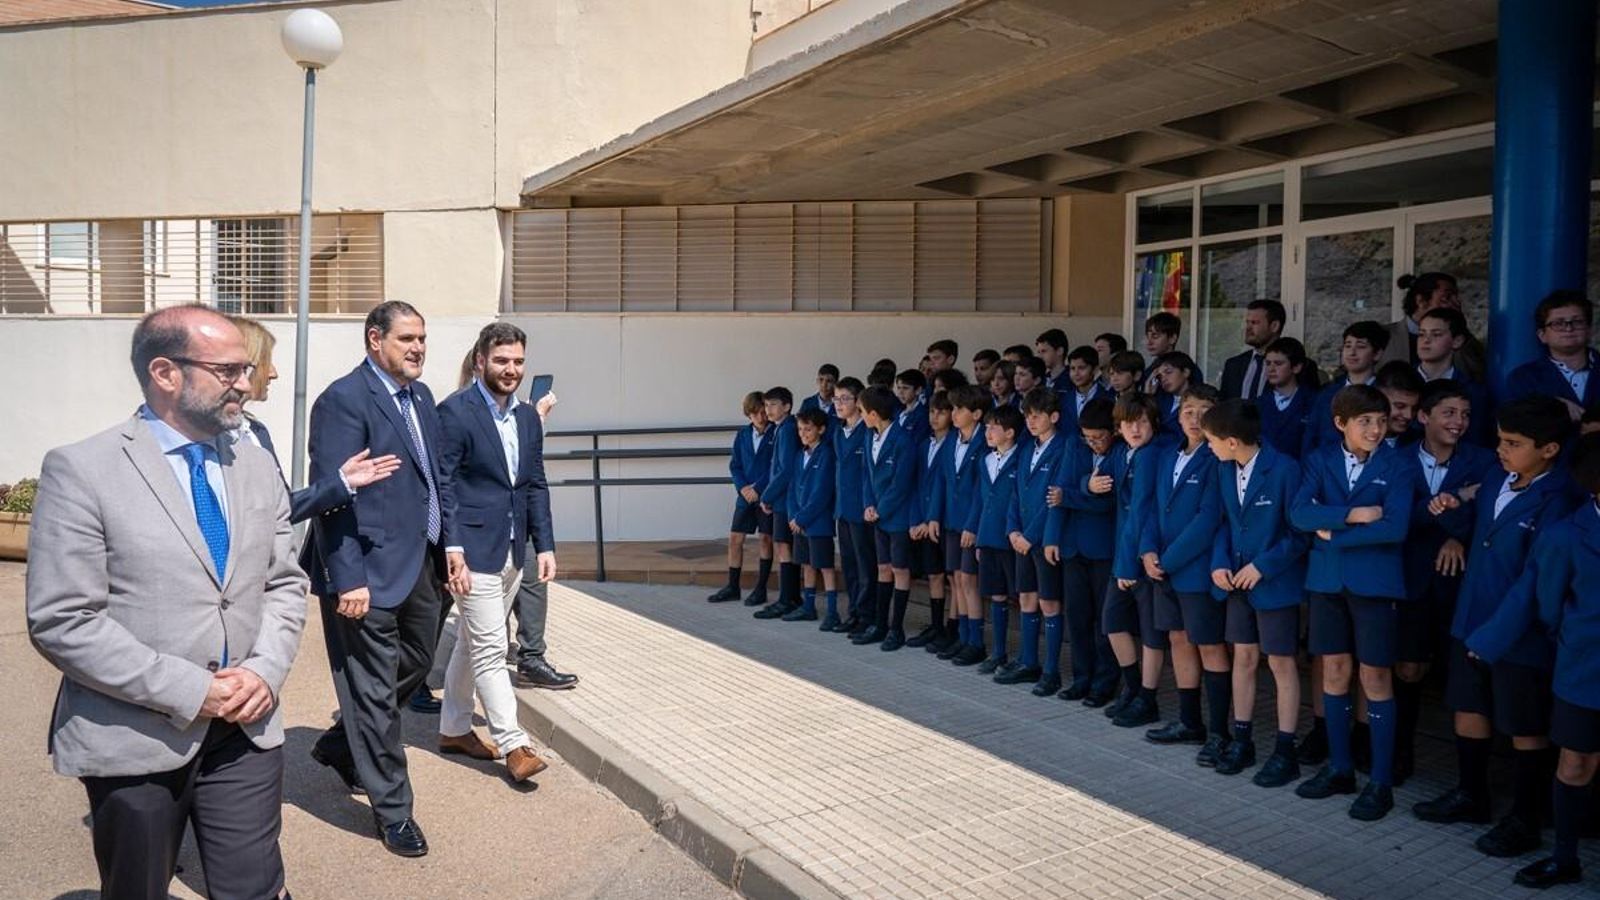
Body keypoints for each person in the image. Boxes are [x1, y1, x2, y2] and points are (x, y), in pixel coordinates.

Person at [27, 305, 309, 899]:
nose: (246, 382)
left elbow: (284, 582)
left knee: (257, 889)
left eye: (247, 368)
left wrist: (265, 671)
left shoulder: (255, 463)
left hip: (245, 728)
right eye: (229, 370)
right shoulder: (82, 469)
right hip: (136, 733)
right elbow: (63, 620)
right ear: (165, 373)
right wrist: (191, 689)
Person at [304, 300, 459, 857]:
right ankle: (394, 811)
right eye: (406, 339)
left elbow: (438, 479)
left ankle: (342, 744)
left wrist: (452, 546)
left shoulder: (421, 396)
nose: (418, 348)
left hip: (421, 563)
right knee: (371, 691)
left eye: (422, 338)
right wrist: (347, 577)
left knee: (416, 664)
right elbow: (333, 497)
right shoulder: (343, 399)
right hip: (364, 571)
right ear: (375, 339)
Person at [1425, 398, 1578, 857]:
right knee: (1468, 707)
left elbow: (1536, 581)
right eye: (1499, 440)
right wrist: (1450, 511)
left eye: (1513, 443)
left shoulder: (1560, 499)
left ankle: (1525, 819)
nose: (1501, 450)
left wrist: (1494, 636)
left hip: (1518, 633)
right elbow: (1479, 531)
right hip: (1471, 616)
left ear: (1549, 449)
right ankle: (1471, 795)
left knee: (1524, 725)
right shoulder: (1497, 478)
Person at [432, 322, 552, 785]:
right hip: (471, 553)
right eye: (502, 360)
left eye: (518, 361)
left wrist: (545, 545)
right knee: (491, 647)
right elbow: (443, 486)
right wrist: (452, 546)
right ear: (480, 360)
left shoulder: (527, 418)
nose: (511, 369)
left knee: (471, 640)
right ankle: (514, 744)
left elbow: (534, 484)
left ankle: (453, 728)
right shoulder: (455, 412)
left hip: (513, 550)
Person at [1289, 384, 1411, 821]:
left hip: (1376, 584)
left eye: (1381, 421)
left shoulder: (1398, 464)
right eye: (1365, 421)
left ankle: (1380, 781)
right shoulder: (1319, 459)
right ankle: (1340, 768)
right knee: (1335, 670)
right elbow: (1299, 514)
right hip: (1327, 582)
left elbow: (1395, 527)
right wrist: (1353, 515)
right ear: (1341, 423)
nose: (1376, 429)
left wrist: (1332, 533)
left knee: (1376, 676)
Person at [1202, 400, 1309, 787]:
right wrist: (1218, 563)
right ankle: (1242, 739)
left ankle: (1285, 750)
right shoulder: (1224, 468)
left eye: (1211, 440)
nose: (1208, 446)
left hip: (1274, 582)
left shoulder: (1285, 469)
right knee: (1243, 657)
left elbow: (1299, 533)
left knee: (1281, 663)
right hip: (1235, 581)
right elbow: (1225, 524)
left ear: (1231, 441)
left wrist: (1263, 566)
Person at [1393, 382, 1495, 784]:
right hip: (1412, 581)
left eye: (1465, 415)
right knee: (1407, 670)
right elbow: (1398, 518)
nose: (1459, 422)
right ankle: (1399, 755)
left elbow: (1488, 520)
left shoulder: (1484, 460)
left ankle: (1466, 778)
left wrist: (1457, 535)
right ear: (1424, 417)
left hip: (1459, 585)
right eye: (1449, 413)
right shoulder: (1398, 459)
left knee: (1463, 679)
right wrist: (1454, 499)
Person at [1515, 433, 1600, 889]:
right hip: (1585, 666)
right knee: (1574, 762)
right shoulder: (1565, 535)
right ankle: (1564, 857)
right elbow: (1549, 605)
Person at [227, 316, 401, 522]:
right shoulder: (207, 435)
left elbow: (283, 509)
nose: (273, 373)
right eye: (266, 363)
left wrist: (342, 482)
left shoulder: (256, 432)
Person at [1140, 385, 1229, 767]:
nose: (1195, 418)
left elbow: (1209, 519)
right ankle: (1189, 721)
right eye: (1189, 410)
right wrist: (1147, 550)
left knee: (1209, 646)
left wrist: (1168, 560)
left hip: (1194, 569)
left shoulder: (1217, 458)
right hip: (1163, 568)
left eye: (1204, 410)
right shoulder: (1167, 455)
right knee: (1178, 639)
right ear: (1178, 415)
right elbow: (1153, 509)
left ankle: (1220, 733)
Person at [1043, 396, 1120, 707]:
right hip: (1073, 546)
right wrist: (1051, 537)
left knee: (1104, 619)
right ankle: (1081, 677)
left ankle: (1105, 682)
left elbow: (1107, 502)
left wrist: (1076, 492)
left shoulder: (1120, 451)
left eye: (1099, 437)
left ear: (1114, 431)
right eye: (1088, 437)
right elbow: (1056, 492)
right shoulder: (1075, 446)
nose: (1093, 443)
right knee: (1077, 616)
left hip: (1104, 547)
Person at [1106, 394, 1175, 728]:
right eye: (1128, 423)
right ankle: (1133, 688)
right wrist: (1087, 484)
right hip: (1124, 550)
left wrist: (1127, 565)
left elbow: (1141, 510)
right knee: (1112, 622)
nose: (1135, 429)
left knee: (1150, 631)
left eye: (1142, 422)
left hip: (1143, 554)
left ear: (1154, 424)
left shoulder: (1151, 455)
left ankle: (1147, 697)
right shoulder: (1123, 452)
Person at [999, 387, 1067, 697]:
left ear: (1054, 416)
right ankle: (1029, 661)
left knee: (1049, 602)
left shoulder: (1064, 447)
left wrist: (1030, 535)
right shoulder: (1027, 448)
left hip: (1042, 538)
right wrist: (1013, 530)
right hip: (1021, 537)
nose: (1031, 421)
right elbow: (1016, 493)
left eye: (1038, 416)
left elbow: (1054, 498)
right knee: (1026, 597)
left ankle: (1051, 670)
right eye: (1028, 416)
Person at [856, 385, 917, 649]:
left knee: (900, 569)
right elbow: (866, 475)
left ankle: (896, 629)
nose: (861, 416)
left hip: (897, 515)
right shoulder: (869, 436)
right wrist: (869, 504)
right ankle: (880, 625)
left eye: (862, 411)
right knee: (883, 568)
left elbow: (901, 483)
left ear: (874, 413)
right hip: (877, 515)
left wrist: (881, 508)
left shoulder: (903, 440)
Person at [967, 403, 1025, 671]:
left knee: (1022, 596)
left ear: (1010, 432)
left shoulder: (1022, 458)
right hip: (989, 536)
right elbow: (980, 500)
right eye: (986, 427)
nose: (988, 432)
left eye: (994, 427)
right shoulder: (985, 460)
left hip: (1012, 538)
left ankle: (1024, 656)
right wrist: (978, 536)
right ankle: (998, 652)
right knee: (996, 594)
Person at [708, 391, 774, 603]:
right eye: (755, 413)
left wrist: (759, 488)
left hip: (766, 496)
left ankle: (761, 588)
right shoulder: (743, 435)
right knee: (735, 539)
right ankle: (733, 586)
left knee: (765, 539)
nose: (760, 417)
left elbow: (776, 465)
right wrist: (743, 487)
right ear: (748, 414)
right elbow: (735, 465)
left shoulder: (776, 433)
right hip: (745, 496)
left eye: (763, 412)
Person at [939, 385, 988, 662]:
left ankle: (976, 641)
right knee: (956, 578)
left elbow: (982, 490)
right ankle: (962, 635)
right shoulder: (951, 439)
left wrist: (972, 525)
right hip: (951, 520)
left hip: (971, 522)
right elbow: (942, 481)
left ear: (977, 414)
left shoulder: (984, 442)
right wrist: (934, 516)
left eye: (959, 409)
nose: (954, 414)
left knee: (969, 579)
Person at [1504, 290, 1598, 421]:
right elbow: (1513, 423)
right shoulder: (1523, 378)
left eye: (1577, 322)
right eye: (1558, 323)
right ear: (1542, 335)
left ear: (1589, 331)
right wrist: (1551, 405)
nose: (1568, 329)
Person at [908, 393, 955, 648]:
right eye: (932, 412)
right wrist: (917, 520)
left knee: (952, 577)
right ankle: (936, 625)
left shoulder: (953, 444)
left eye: (941, 412)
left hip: (944, 521)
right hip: (923, 519)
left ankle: (953, 627)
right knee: (934, 575)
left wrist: (932, 519)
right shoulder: (924, 445)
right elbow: (916, 485)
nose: (935, 417)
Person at [832, 378, 877, 635]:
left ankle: (867, 614)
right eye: (836, 399)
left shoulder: (867, 432)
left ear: (858, 401)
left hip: (862, 509)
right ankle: (854, 612)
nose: (839, 404)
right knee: (849, 563)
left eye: (845, 399)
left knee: (865, 565)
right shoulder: (838, 431)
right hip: (843, 508)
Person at [1303, 320, 1388, 455]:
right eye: (1348, 346)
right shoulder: (1326, 394)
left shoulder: (1386, 394)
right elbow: (1310, 439)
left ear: (1377, 354)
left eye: (1360, 346)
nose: (1352, 352)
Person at [785, 408, 838, 624]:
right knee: (806, 564)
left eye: (808, 429)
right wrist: (793, 516)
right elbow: (792, 488)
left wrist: (802, 518)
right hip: (799, 523)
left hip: (818, 522)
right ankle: (809, 607)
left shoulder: (826, 455)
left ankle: (832, 612)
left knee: (825, 566)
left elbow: (822, 493)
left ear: (821, 429)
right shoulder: (800, 455)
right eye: (800, 429)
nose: (803, 434)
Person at [755, 387, 803, 619]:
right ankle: (791, 597)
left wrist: (767, 496)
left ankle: (787, 600)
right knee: (784, 547)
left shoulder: (787, 429)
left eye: (773, 404)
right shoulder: (780, 428)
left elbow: (786, 470)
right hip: (782, 498)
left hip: (785, 499)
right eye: (766, 405)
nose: (768, 409)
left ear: (787, 406)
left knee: (784, 547)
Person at [1415, 306, 1494, 446]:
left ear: (1457, 341)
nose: (1426, 340)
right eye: (1421, 334)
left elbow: (1475, 440)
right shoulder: (1400, 382)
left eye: (1436, 334)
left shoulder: (1473, 391)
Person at [1256, 337, 1314, 460]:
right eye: (1268, 363)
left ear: (1296, 367)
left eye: (1278, 363)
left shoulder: (1315, 403)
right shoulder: (1258, 404)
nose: (1271, 369)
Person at [1219, 299, 1286, 401]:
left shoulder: (1293, 366)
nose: (1248, 328)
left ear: (1274, 326)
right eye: (1247, 322)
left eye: (1254, 323)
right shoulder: (1233, 365)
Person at [1059, 345, 1108, 440]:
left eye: (1081, 368)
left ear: (1095, 369)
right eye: (1072, 368)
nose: (1076, 373)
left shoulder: (1107, 397)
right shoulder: (1063, 399)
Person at [1150, 351, 1200, 438]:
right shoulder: (1159, 400)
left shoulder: (1200, 400)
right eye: (1160, 376)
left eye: (1168, 372)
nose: (1164, 379)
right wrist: (1148, 395)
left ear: (1186, 372)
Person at [1035, 328, 1071, 393]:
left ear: (1060, 351)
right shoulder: (1040, 380)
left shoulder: (1072, 379)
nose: (1040, 356)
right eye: (1039, 352)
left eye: (1044, 351)